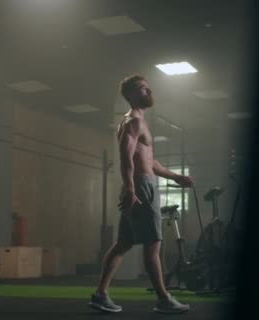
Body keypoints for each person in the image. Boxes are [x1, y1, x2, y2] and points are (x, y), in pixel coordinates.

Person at [89, 74, 193, 314]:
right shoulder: (133, 121)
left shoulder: (139, 122)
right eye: (143, 89)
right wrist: (132, 189)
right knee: (153, 243)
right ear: (132, 95)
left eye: (148, 88)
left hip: (140, 184)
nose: (149, 92)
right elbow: (126, 157)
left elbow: (148, 160)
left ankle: (101, 294)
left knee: (123, 243)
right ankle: (164, 299)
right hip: (141, 186)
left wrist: (175, 177)